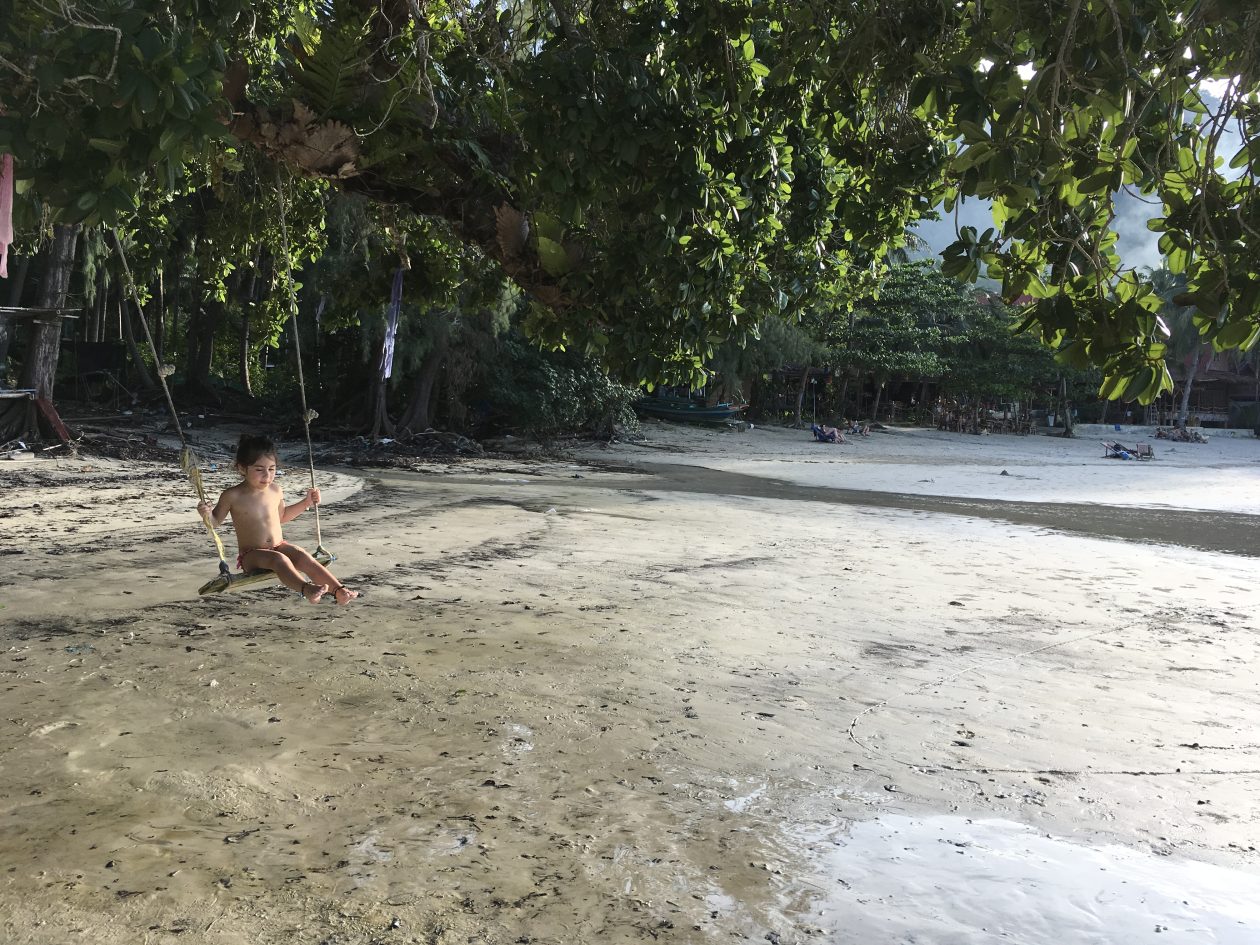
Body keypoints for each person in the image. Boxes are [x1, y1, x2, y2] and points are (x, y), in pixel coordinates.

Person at [198, 434, 358, 605]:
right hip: (251, 555)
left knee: (302, 556)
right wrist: (206, 514)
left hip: (279, 545)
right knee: (279, 559)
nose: (267, 475)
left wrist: (306, 503)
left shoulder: (275, 490)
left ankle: (339, 591)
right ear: (242, 468)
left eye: (272, 469)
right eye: (259, 470)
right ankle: (307, 589)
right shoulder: (232, 495)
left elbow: (282, 516)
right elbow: (214, 523)